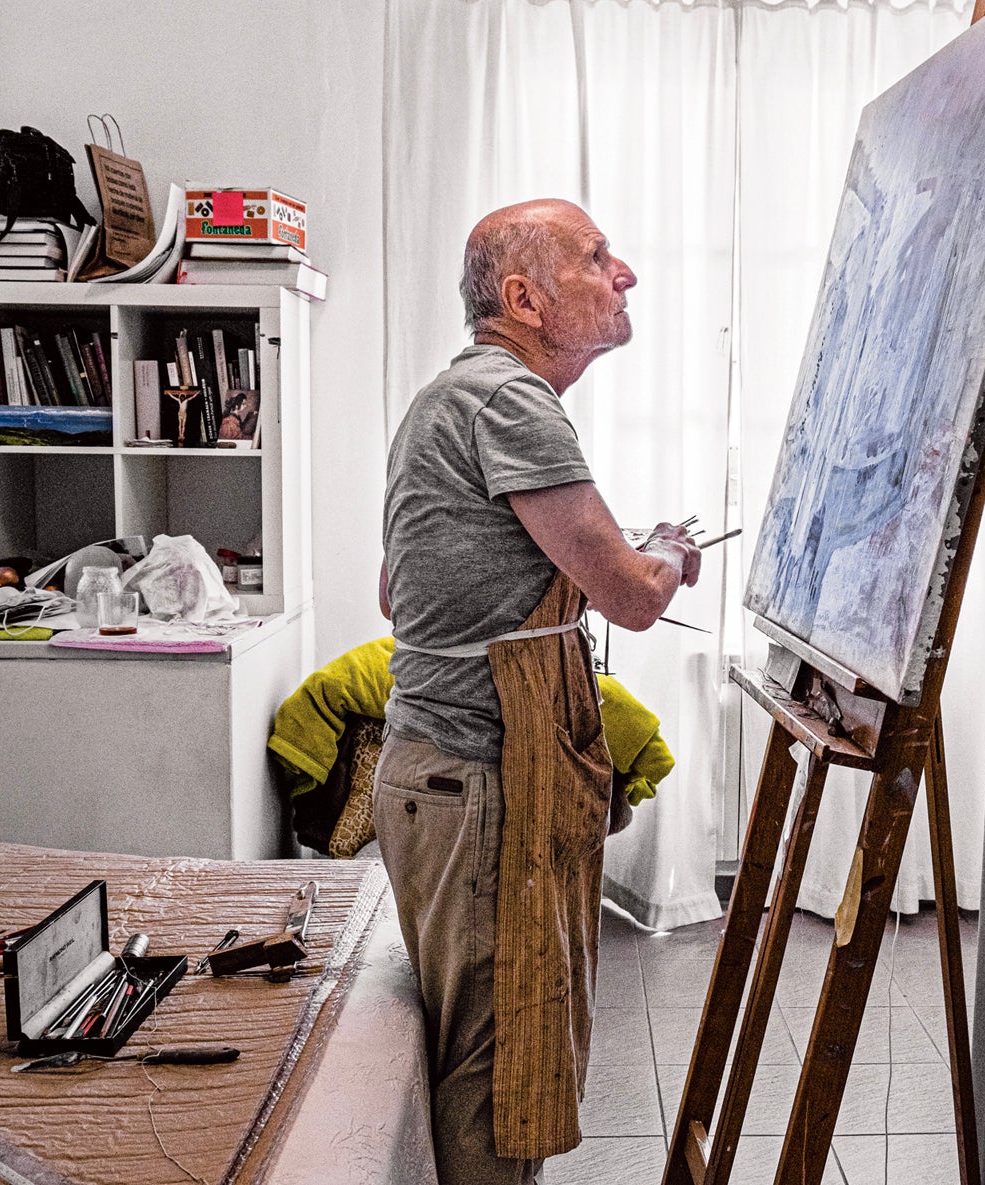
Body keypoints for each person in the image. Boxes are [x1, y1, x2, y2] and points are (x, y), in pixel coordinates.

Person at [375, 198, 701, 1185]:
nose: (624, 273)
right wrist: (667, 554)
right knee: (495, 1085)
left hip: (436, 774)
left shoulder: (452, 397)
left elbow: (397, 591)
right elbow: (633, 597)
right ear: (524, 299)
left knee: (488, 1064)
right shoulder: (509, 400)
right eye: (597, 258)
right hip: (476, 782)